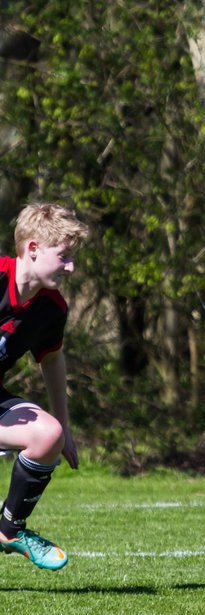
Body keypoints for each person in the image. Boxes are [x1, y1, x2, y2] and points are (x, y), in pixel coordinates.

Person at [0, 203, 88, 571]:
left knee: (48, 435)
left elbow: (51, 359)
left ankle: (9, 529)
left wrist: (65, 428)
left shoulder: (51, 307)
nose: (70, 267)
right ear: (33, 248)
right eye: (63, 256)